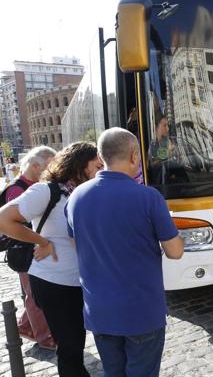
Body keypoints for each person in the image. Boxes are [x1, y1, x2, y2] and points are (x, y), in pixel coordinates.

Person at [65, 128, 184, 376]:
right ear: (134, 156)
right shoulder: (149, 197)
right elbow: (175, 252)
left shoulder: (75, 196)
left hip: (100, 311)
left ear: (100, 156)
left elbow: (77, 245)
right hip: (141, 312)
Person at [0, 142, 102, 376]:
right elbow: (4, 219)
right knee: (70, 347)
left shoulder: (85, 191)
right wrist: (42, 241)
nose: (100, 168)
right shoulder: (47, 190)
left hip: (80, 280)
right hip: (53, 281)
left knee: (76, 340)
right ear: (79, 165)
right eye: (96, 164)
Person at [4, 146, 57, 350]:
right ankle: (44, 338)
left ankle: (25, 326)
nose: (51, 171)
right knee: (34, 295)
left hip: (35, 249)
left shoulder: (36, 185)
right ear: (35, 165)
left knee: (34, 292)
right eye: (48, 166)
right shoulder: (18, 189)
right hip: (26, 251)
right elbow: (17, 225)